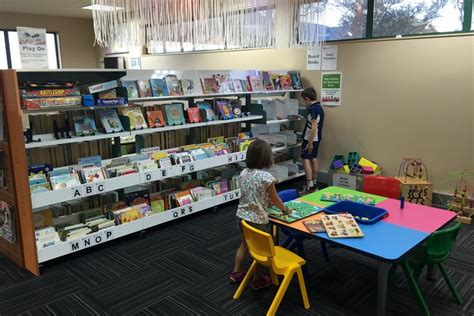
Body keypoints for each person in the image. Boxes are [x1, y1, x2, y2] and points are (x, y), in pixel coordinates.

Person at [230, 139, 291, 290]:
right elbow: (275, 199)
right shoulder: (267, 178)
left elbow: (251, 194)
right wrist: (284, 209)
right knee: (260, 251)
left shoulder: (243, 173)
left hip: (242, 217)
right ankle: (258, 280)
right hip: (258, 220)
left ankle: (235, 272)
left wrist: (264, 201)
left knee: (245, 244)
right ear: (266, 158)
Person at [301, 87, 324, 193]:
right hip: (317, 138)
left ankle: (309, 186)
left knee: (306, 159)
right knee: (314, 158)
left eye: (304, 100)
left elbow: (314, 127)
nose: (304, 102)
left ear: (307, 98)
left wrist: (309, 142)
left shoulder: (312, 109)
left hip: (310, 138)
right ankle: (314, 184)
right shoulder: (319, 107)